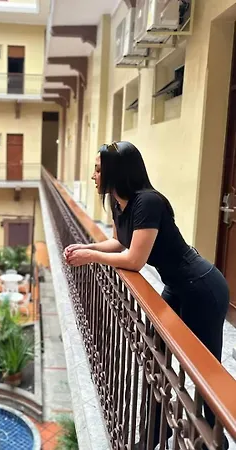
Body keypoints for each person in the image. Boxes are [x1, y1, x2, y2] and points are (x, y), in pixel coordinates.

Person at [63, 141, 230, 450]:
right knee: (157, 360)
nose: (93, 175)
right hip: (177, 285)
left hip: (202, 287)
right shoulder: (118, 202)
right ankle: (154, 435)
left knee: (206, 372)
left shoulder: (148, 202)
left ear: (116, 171)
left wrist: (91, 257)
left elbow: (134, 260)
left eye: (98, 169)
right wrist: (87, 248)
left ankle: (212, 442)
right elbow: (119, 243)